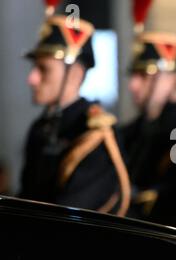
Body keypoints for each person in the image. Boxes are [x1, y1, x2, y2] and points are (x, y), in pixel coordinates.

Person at [19, 14, 130, 216]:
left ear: (75, 74)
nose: (32, 79)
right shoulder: (40, 127)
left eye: (44, 69)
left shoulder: (94, 135)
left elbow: (71, 218)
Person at [122, 31, 176, 231]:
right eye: (134, 75)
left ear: (173, 79)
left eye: (144, 76)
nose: (133, 85)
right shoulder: (126, 133)